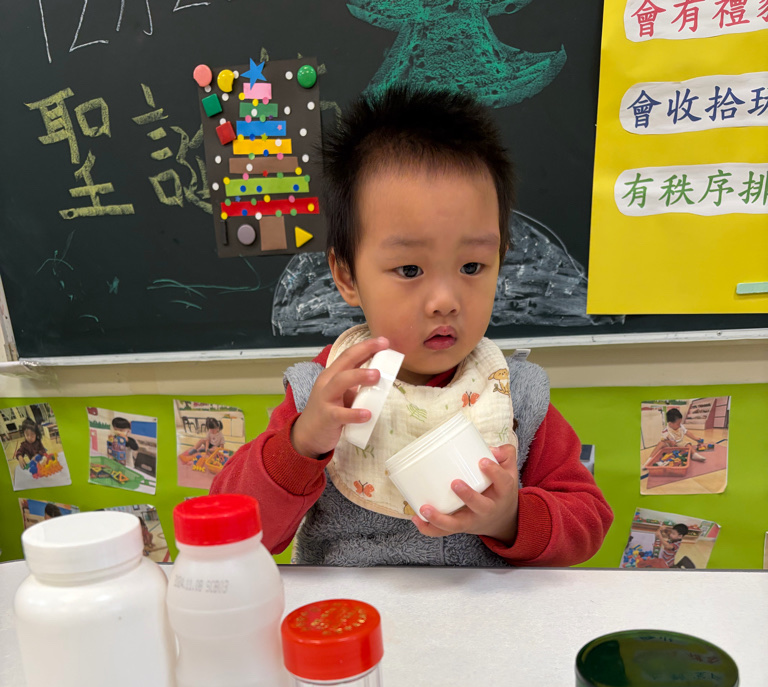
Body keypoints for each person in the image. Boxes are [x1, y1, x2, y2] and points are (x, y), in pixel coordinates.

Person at [211, 87, 613, 567]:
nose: (445, 301)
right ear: (347, 277)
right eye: (409, 269)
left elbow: (589, 521)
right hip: (354, 608)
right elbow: (235, 528)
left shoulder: (514, 394)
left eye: (472, 267)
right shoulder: (324, 395)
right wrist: (301, 443)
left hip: (480, 611)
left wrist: (511, 517)